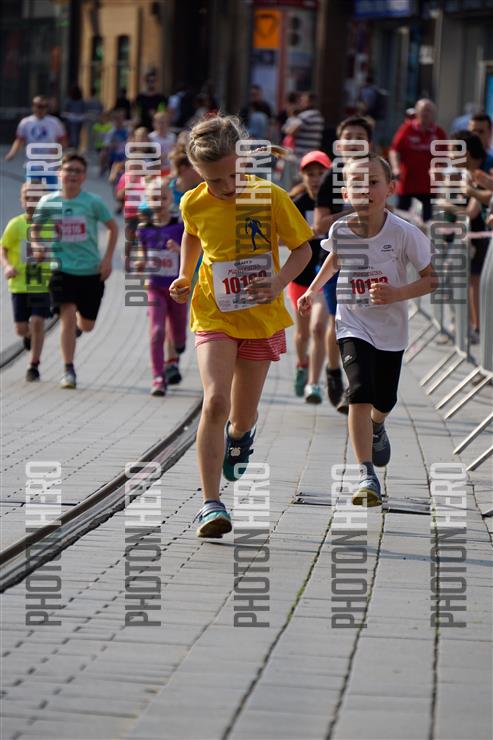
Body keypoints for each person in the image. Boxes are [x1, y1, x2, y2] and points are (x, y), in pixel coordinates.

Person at [169, 115, 312, 537]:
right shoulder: (193, 201)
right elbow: (192, 235)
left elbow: (303, 250)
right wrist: (184, 274)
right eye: (214, 180)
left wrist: (279, 282)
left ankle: (240, 435)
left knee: (242, 415)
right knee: (215, 402)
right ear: (198, 173)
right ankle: (210, 505)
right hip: (213, 312)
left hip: (260, 318)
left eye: (231, 176)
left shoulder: (269, 196)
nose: (226, 187)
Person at [298, 154, 436, 506]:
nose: (365, 189)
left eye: (373, 182)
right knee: (359, 391)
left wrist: (397, 293)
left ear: (390, 189)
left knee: (384, 399)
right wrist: (312, 290)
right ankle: (366, 474)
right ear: (346, 193)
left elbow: (431, 279)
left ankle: (378, 425)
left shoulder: (404, 233)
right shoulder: (341, 230)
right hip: (352, 322)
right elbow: (335, 259)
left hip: (391, 329)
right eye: (357, 184)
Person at [32, 153, 118, 389]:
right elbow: (35, 229)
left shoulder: (93, 202)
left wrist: (108, 259)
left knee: (87, 325)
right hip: (61, 269)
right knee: (67, 316)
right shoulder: (48, 202)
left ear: (83, 177)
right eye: (68, 170)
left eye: (77, 171)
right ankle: (68, 369)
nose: (72, 174)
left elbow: (113, 227)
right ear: (60, 173)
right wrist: (38, 245)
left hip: (91, 271)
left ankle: (78, 329)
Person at [314, 115, 375, 411]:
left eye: (359, 137)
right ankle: (335, 372)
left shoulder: (376, 173)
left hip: (372, 262)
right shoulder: (332, 176)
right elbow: (319, 224)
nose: (353, 142)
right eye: (347, 136)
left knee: (364, 323)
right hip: (337, 260)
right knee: (339, 320)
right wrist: (355, 212)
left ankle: (357, 382)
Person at [287, 150, 331, 403]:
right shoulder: (298, 203)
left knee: (318, 328)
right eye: (310, 174)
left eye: (320, 173)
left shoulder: (335, 202)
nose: (315, 179)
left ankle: (315, 382)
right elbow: (283, 237)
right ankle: (301, 364)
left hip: (324, 275)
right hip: (301, 276)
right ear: (302, 176)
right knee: (303, 333)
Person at [136, 178, 186, 395]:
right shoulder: (143, 229)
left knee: (178, 332)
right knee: (157, 331)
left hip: (177, 290)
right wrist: (140, 263)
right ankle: (158, 376)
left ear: (170, 199)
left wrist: (179, 250)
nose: (158, 202)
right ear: (147, 200)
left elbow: (194, 254)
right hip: (155, 287)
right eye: (154, 198)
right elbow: (141, 255)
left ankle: (178, 346)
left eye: (163, 198)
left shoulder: (179, 225)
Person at [1, 182, 52, 381]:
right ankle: (29, 336)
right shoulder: (15, 224)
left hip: (41, 282)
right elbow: (3, 248)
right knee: (21, 328)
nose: (32, 202)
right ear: (22, 200)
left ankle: (34, 365)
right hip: (19, 283)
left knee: (38, 322)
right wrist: (7, 266)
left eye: (37, 198)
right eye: (28, 197)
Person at [389, 98, 447, 222]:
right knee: (401, 218)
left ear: (434, 113)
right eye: (423, 110)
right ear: (417, 112)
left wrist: (440, 169)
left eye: (429, 111)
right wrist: (395, 168)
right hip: (407, 183)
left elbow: (446, 155)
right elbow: (394, 150)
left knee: (427, 221)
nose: (426, 114)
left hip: (428, 186)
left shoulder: (439, 133)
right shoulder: (406, 129)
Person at [5, 95, 66, 162]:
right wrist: (12, 153)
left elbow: (63, 139)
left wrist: (57, 150)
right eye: (38, 106)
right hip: (31, 162)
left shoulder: (55, 122)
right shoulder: (25, 122)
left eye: (44, 106)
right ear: (33, 107)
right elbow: (19, 140)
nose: (41, 109)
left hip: (49, 163)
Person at [282, 91, 325, 159]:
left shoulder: (305, 116)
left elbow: (291, 131)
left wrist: (290, 118)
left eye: (303, 100)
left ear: (310, 102)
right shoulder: (319, 116)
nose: (300, 103)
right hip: (311, 153)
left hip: (299, 155)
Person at [62, 85, 87, 150]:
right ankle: (75, 145)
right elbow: (84, 110)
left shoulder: (69, 101)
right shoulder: (80, 101)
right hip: (76, 120)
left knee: (73, 133)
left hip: (73, 120)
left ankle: (73, 145)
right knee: (76, 133)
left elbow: (65, 110)